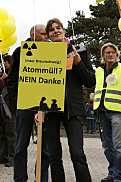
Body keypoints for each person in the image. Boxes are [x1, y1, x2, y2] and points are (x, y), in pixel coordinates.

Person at [42, 18, 95, 182]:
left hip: (74, 109)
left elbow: (91, 81)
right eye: (52, 30)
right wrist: (40, 109)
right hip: (51, 110)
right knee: (54, 155)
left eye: (58, 28)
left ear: (64, 31)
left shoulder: (80, 52)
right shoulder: (43, 55)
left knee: (77, 153)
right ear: (49, 36)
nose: (56, 31)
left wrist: (79, 63)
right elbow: (39, 85)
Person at [8, 24, 51, 181]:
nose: (47, 36)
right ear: (33, 36)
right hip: (24, 105)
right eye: (43, 34)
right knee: (20, 146)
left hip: (46, 107)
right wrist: (17, 101)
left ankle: (41, 178)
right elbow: (11, 79)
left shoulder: (52, 51)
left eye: (47, 34)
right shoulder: (20, 52)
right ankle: (20, 178)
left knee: (45, 148)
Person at [93, 43, 121, 182]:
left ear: (117, 55)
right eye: (107, 52)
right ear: (103, 55)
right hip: (101, 112)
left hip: (117, 111)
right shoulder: (98, 71)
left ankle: (119, 177)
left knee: (119, 146)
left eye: (113, 52)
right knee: (107, 146)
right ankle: (112, 173)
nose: (110, 54)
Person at [0, 55, 16, 167]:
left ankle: (12, 157)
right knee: (2, 131)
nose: (4, 64)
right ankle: (3, 155)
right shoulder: (2, 74)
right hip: (2, 105)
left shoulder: (14, 73)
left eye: (6, 62)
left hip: (11, 106)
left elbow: (15, 86)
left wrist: (7, 78)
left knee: (11, 132)